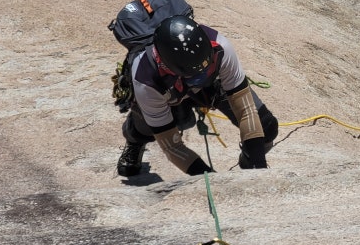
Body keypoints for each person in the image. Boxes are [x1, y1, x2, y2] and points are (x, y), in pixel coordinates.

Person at [116, 12, 278, 177]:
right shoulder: (146, 81)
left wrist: (257, 171)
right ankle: (135, 140)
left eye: (206, 67)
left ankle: (249, 160)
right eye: (196, 74)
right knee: (150, 127)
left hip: (211, 84)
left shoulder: (220, 47)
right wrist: (210, 180)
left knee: (266, 126)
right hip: (167, 90)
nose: (202, 74)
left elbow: (246, 111)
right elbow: (173, 148)